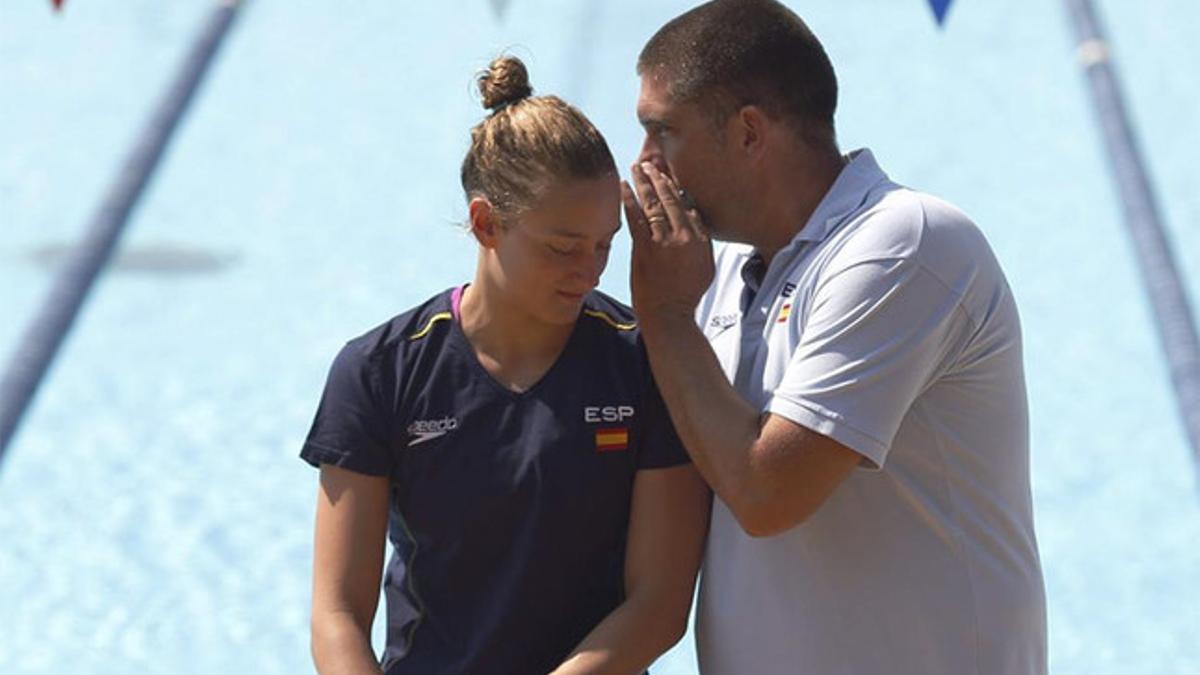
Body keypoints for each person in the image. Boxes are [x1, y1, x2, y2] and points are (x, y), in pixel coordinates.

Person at [620, 1, 1048, 673]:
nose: (646, 162)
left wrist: (667, 317)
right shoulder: (716, 272)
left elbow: (768, 492)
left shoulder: (903, 245)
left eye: (662, 131)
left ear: (749, 133)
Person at [301, 56, 709, 675]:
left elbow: (659, 603)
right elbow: (337, 613)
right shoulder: (380, 371)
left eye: (603, 245)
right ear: (486, 224)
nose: (591, 270)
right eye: (562, 247)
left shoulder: (642, 360)